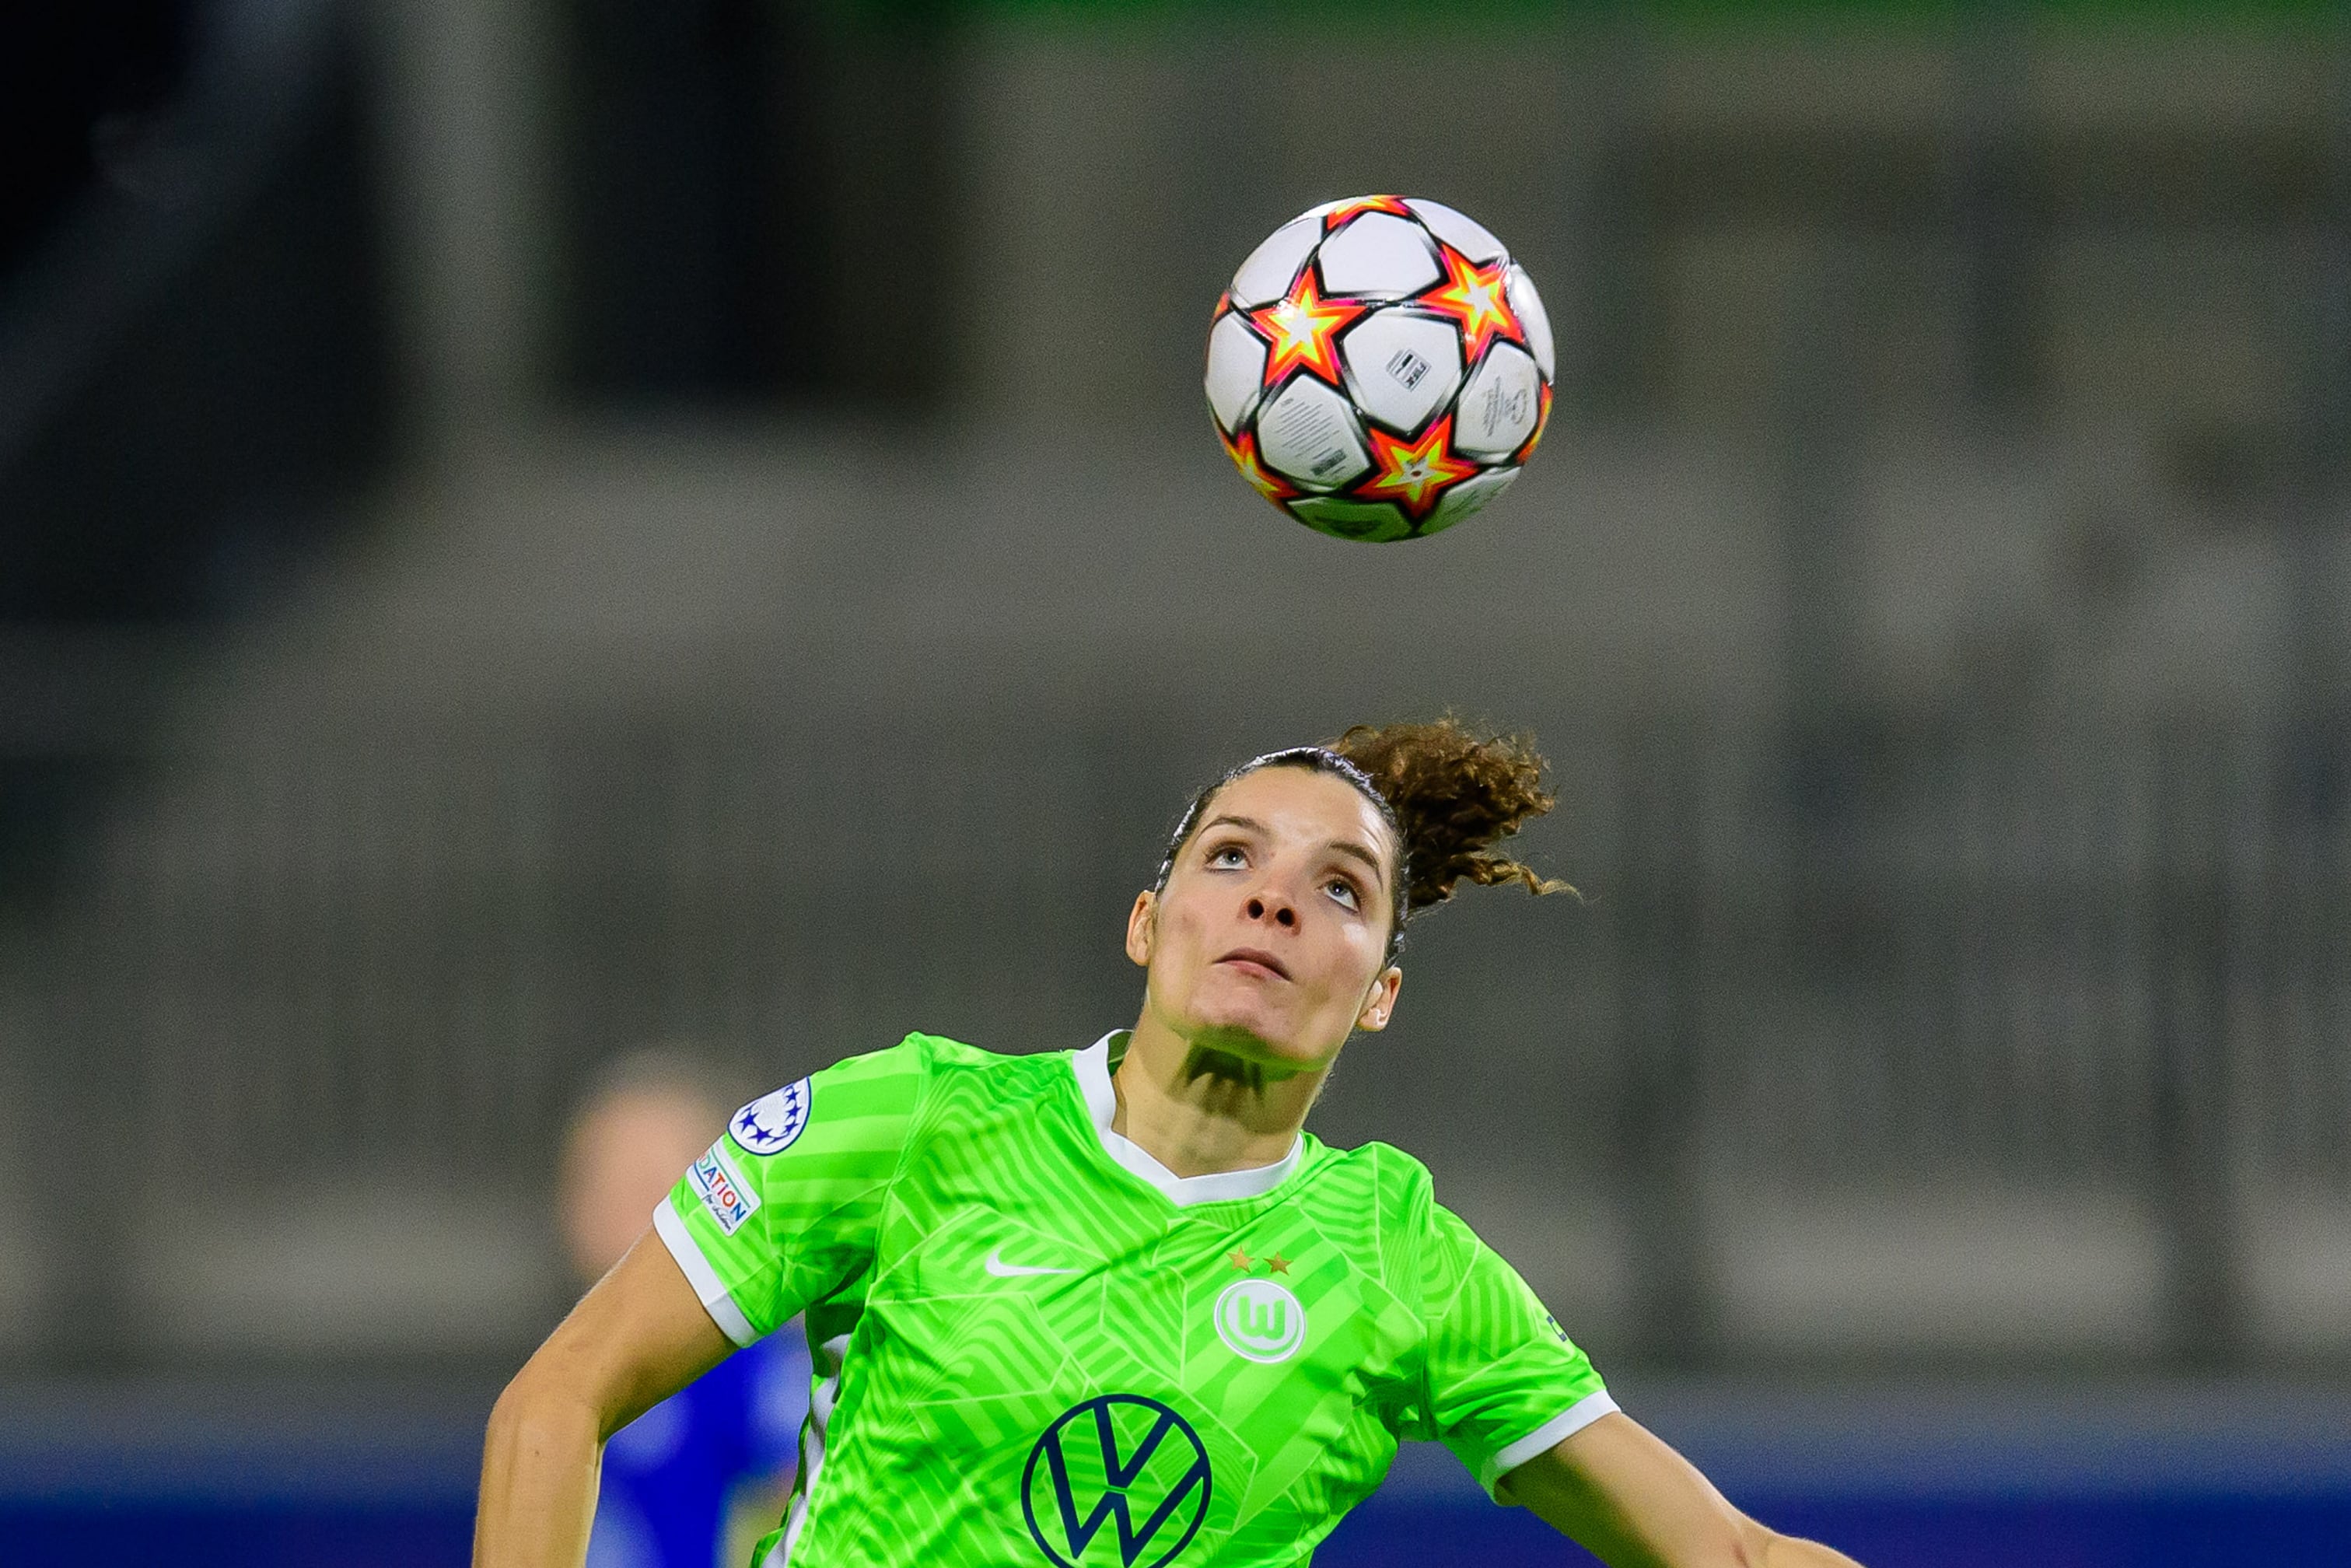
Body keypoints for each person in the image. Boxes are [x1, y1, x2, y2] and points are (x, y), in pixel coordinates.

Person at [479, 719, 1866, 1567]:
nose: (1272, 901)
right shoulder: (914, 1123)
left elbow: (1725, 1554)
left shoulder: (1401, 1266)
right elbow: (556, 1403)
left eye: (1337, 889)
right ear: (1146, 925)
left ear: (1378, 991)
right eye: (1229, 857)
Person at [556, 1050, 811, 1568]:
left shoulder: (759, 1379)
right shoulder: (562, 1382)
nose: (619, 1218)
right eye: (598, 1185)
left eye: (650, 1190)